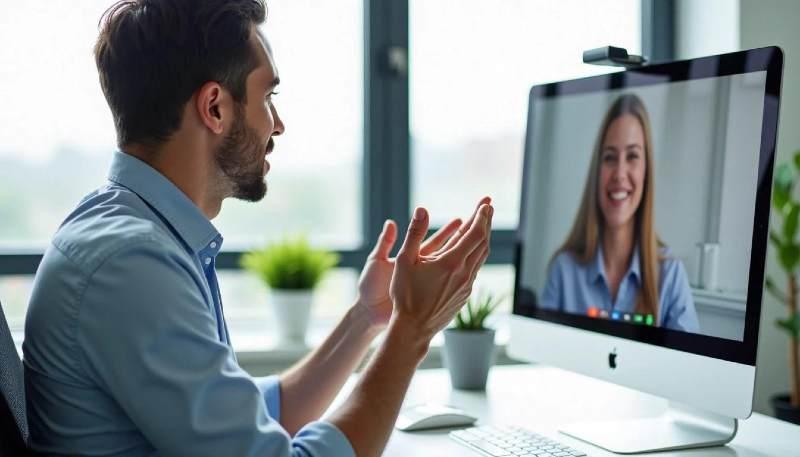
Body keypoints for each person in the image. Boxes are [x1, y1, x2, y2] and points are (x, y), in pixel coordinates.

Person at [22, 1, 493, 456]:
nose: (279, 124)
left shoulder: (134, 234)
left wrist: (366, 319)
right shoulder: (130, 264)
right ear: (215, 107)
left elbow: (253, 421)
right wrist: (412, 331)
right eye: (269, 96)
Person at [540, 94, 699, 333]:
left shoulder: (670, 274)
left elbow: (689, 368)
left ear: (647, 170)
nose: (619, 173)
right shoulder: (563, 270)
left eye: (633, 156)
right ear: (597, 171)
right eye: (610, 158)